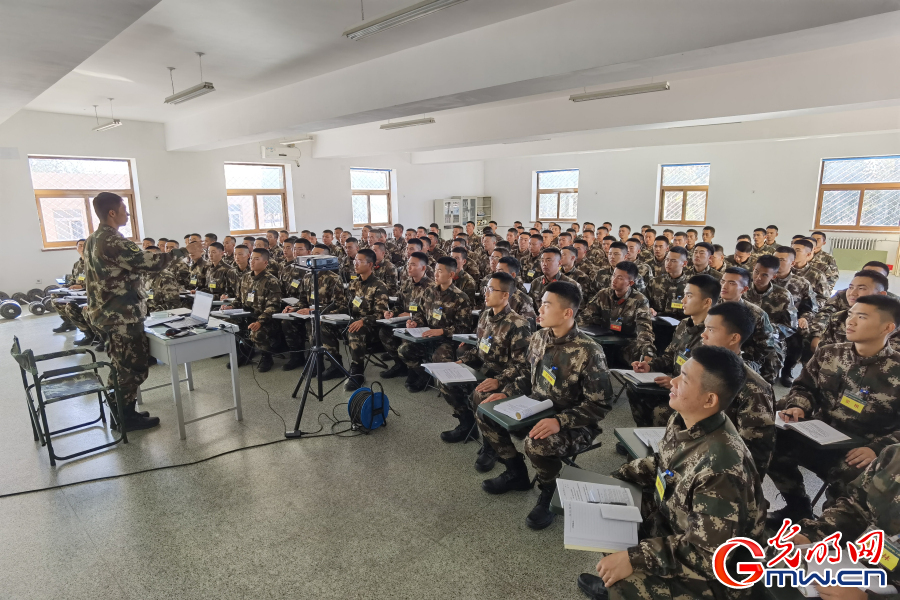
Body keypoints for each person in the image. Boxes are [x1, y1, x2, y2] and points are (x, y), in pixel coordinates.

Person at [577, 346, 766, 600]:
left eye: (684, 379)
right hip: (675, 522)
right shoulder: (684, 419)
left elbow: (708, 554)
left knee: (623, 588)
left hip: (718, 572)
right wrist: (618, 476)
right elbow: (662, 464)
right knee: (606, 509)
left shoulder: (721, 466)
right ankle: (616, 573)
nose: (673, 381)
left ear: (710, 399)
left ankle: (617, 585)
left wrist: (634, 558)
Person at [477, 281, 612, 530]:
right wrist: (505, 393)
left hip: (575, 423)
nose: (539, 309)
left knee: (537, 442)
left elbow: (600, 404)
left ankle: (549, 489)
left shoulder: (590, 352)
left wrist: (559, 421)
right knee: (486, 411)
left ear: (567, 312)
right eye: (541, 303)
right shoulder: (539, 337)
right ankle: (515, 472)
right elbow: (528, 380)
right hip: (535, 407)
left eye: (546, 305)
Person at [767, 295, 900, 525]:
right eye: (851, 314)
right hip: (817, 435)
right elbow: (804, 387)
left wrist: (878, 448)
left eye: (862, 317)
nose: (851, 321)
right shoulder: (829, 353)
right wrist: (798, 406)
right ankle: (798, 508)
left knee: (852, 478)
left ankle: (827, 531)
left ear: (888, 327)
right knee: (769, 443)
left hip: (860, 449)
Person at [83, 192, 202, 431]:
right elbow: (151, 262)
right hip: (120, 316)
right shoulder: (113, 240)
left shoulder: (93, 239)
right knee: (132, 367)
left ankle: (122, 411)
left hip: (106, 313)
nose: (128, 213)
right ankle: (125, 418)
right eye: (124, 209)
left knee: (120, 364)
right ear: (112, 213)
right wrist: (181, 251)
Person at [791, 443, 900, 599]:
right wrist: (815, 535)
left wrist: (867, 598)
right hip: (858, 567)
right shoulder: (892, 456)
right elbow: (856, 509)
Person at [439, 272, 531, 452]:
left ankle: (492, 445)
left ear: (505, 295)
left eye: (490, 289)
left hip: (505, 377)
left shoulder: (518, 324)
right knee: (445, 380)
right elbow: (479, 349)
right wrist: (461, 361)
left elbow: (522, 366)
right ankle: (467, 426)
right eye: (485, 288)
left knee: (481, 396)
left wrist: (500, 381)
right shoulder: (485, 316)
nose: (485, 293)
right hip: (483, 370)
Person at [628, 275, 719, 427]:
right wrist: (650, 366)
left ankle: (663, 445)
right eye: (684, 295)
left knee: (661, 412)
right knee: (635, 391)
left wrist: (676, 383)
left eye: (689, 296)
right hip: (671, 385)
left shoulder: (712, 335)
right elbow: (670, 357)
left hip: (692, 394)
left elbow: (706, 380)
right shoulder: (684, 324)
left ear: (707, 302)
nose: (683, 301)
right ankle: (645, 436)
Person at [701, 302, 776, 478]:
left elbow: (752, 458)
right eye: (705, 328)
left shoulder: (754, 389)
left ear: (734, 338)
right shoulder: (701, 368)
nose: (703, 335)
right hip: (693, 452)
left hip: (718, 472)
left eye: (711, 330)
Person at [400, 256, 473, 393]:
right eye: (435, 270)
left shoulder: (460, 298)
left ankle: (451, 390)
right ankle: (423, 375)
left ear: (451, 274)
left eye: (440, 271)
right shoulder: (429, 291)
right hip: (427, 336)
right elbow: (420, 313)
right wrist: (415, 322)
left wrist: (442, 331)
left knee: (439, 357)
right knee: (404, 350)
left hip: (447, 340)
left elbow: (464, 328)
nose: (435, 274)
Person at [280, 244, 346, 373]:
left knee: (314, 324)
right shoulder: (308, 277)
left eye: (317, 256)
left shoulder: (333, 278)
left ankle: (333, 364)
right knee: (287, 322)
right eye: (312, 255)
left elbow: (340, 305)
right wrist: (294, 308)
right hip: (309, 314)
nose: (313, 259)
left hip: (327, 315)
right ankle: (297, 356)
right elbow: (303, 300)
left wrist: (315, 311)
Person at [577, 261, 655, 367]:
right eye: (614, 275)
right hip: (602, 340)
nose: (614, 280)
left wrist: (648, 352)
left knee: (640, 353)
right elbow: (584, 317)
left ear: (630, 283)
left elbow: (644, 329)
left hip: (626, 343)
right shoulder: (603, 294)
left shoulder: (639, 300)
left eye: (620, 278)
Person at [220, 248, 283, 372]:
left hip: (267, 320)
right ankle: (242, 353)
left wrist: (260, 321)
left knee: (256, 332)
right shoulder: (246, 277)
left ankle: (266, 357)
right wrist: (231, 306)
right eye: (252, 258)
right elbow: (239, 298)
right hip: (246, 315)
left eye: (257, 259)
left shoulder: (271, 281)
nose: (252, 261)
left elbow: (273, 307)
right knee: (227, 324)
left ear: (265, 263)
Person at [719, 267, 784, 386]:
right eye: (723, 281)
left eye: (732, 283)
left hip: (744, 357)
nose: (724, 286)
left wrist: (742, 355)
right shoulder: (711, 307)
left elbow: (765, 345)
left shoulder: (756, 314)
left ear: (744, 289)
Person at [378, 251, 435, 379]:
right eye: (408, 264)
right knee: (384, 332)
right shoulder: (406, 283)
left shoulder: (431, 287)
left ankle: (418, 372)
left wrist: (411, 316)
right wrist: (392, 312)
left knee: (405, 340)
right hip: (405, 321)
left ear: (423, 268)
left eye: (413, 265)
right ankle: (400, 365)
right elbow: (399, 304)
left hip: (421, 325)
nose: (409, 267)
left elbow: (429, 314)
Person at [342, 249, 390, 391]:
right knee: (323, 324)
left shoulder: (379, 285)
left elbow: (381, 313)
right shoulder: (354, 284)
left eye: (359, 261)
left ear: (370, 264)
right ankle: (334, 364)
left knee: (356, 331)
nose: (355, 264)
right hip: (354, 321)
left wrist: (363, 321)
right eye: (354, 261)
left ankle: (357, 372)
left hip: (372, 326)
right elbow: (346, 307)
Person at [773, 245, 821, 385]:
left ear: (792, 263)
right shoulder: (765, 279)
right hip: (770, 321)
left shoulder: (801, 283)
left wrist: (804, 318)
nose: (777, 263)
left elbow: (811, 307)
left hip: (791, 323)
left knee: (798, 337)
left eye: (782, 260)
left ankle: (787, 371)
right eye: (775, 259)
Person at [813, 270, 896, 350]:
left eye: (862, 288)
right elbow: (823, 353)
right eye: (850, 287)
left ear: (881, 294)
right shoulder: (838, 318)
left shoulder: (892, 323)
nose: (852, 293)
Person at [743, 255, 798, 369]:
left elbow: (791, 327)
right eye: (756, 272)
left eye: (764, 275)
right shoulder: (743, 289)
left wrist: (767, 329)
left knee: (772, 356)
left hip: (770, 337)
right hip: (744, 335)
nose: (758, 277)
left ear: (774, 276)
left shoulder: (783, 295)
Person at [51, 238, 87, 332]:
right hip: (76, 291)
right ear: (76, 248)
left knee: (70, 305)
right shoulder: (76, 265)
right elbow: (74, 280)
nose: (82, 248)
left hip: (87, 291)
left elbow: (97, 280)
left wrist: (83, 286)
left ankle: (87, 330)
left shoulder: (93, 263)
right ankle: (68, 322)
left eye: (84, 245)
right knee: (55, 297)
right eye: (80, 245)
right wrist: (65, 288)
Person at [528, 247, 580, 312]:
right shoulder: (536, 282)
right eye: (542, 260)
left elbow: (576, 311)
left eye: (549, 260)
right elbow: (530, 307)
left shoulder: (572, 285)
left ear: (559, 263)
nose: (544, 264)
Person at [497, 257, 538, 323]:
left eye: (500, 272)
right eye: (496, 271)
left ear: (513, 275)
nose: (496, 275)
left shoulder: (523, 300)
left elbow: (529, 329)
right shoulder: (492, 295)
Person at [143, 246, 181, 313]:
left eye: (152, 258)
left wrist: (153, 314)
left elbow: (173, 304)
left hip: (159, 315)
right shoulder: (143, 274)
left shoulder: (166, 277)